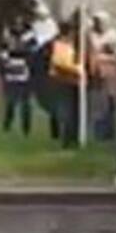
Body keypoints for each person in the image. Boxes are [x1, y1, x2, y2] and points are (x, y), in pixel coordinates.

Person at [49, 21, 83, 149]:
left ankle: (73, 137)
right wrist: (76, 68)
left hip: (72, 81)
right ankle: (66, 139)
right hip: (63, 81)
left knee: (74, 111)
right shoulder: (60, 45)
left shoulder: (69, 45)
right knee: (67, 111)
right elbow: (60, 63)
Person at [0, 28, 34, 136]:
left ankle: (21, 128)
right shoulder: (22, 49)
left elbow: (3, 64)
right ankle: (11, 126)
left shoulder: (21, 49)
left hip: (20, 80)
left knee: (21, 105)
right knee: (14, 104)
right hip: (17, 80)